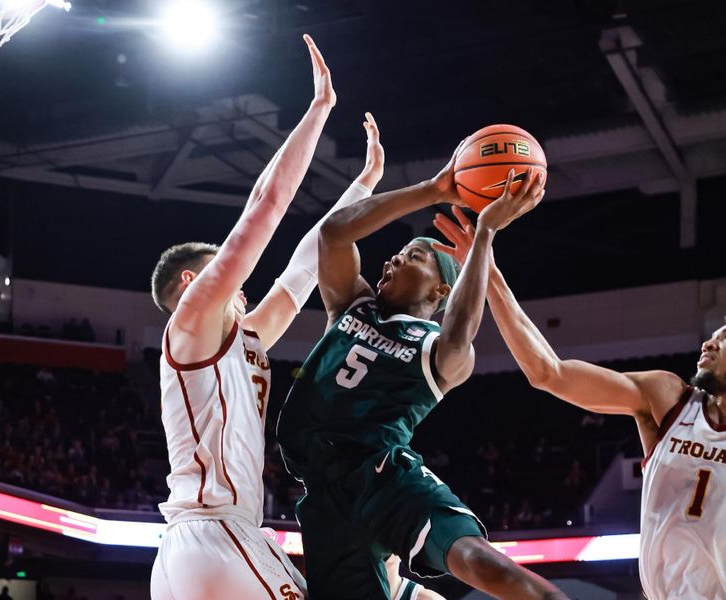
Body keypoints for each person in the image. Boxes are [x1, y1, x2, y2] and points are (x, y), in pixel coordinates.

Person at [149, 35, 387, 600]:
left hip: (204, 544)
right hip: (215, 531)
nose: (242, 279)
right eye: (220, 269)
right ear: (191, 282)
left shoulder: (246, 335)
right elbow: (266, 203)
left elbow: (304, 268)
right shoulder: (192, 321)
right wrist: (318, 111)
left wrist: (361, 190)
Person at [277, 145, 568, 600]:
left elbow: (459, 335)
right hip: (324, 497)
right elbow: (334, 234)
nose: (392, 260)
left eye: (412, 256)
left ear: (443, 287)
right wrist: (433, 190)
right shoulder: (352, 304)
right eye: (395, 253)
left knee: (482, 565)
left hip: (385, 478)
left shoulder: (440, 351)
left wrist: (485, 235)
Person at [432, 205, 726, 600]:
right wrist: (492, 279)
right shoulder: (669, 399)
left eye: (725, 339)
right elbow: (547, 372)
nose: (710, 341)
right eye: (714, 334)